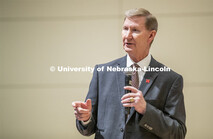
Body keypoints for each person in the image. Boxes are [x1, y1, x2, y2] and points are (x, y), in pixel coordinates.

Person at [72, 8, 186, 139]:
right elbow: (88, 129)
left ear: (151, 35)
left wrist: (146, 109)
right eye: (125, 28)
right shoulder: (102, 73)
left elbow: (178, 133)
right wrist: (85, 118)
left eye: (135, 30)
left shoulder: (170, 79)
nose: (127, 35)